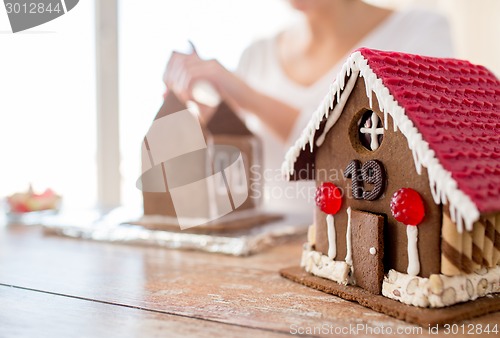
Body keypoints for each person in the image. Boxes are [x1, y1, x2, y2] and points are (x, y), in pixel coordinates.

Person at [163, 0, 454, 212]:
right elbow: (246, 163)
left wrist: (246, 95)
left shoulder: (419, 31)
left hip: (366, 248)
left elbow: (385, 150)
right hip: (263, 252)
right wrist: (206, 115)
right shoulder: (257, 54)